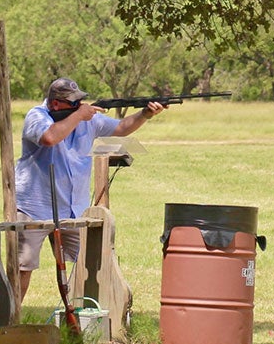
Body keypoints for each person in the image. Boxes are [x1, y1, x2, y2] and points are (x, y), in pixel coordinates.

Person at [14, 77, 164, 302]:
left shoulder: (86, 119)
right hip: (34, 206)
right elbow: (49, 137)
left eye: (79, 102)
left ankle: (80, 317)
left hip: (74, 209)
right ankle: (10, 320)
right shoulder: (36, 116)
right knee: (22, 268)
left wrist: (145, 114)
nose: (79, 106)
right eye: (73, 103)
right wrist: (78, 115)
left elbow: (121, 128)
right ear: (55, 104)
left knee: (85, 266)